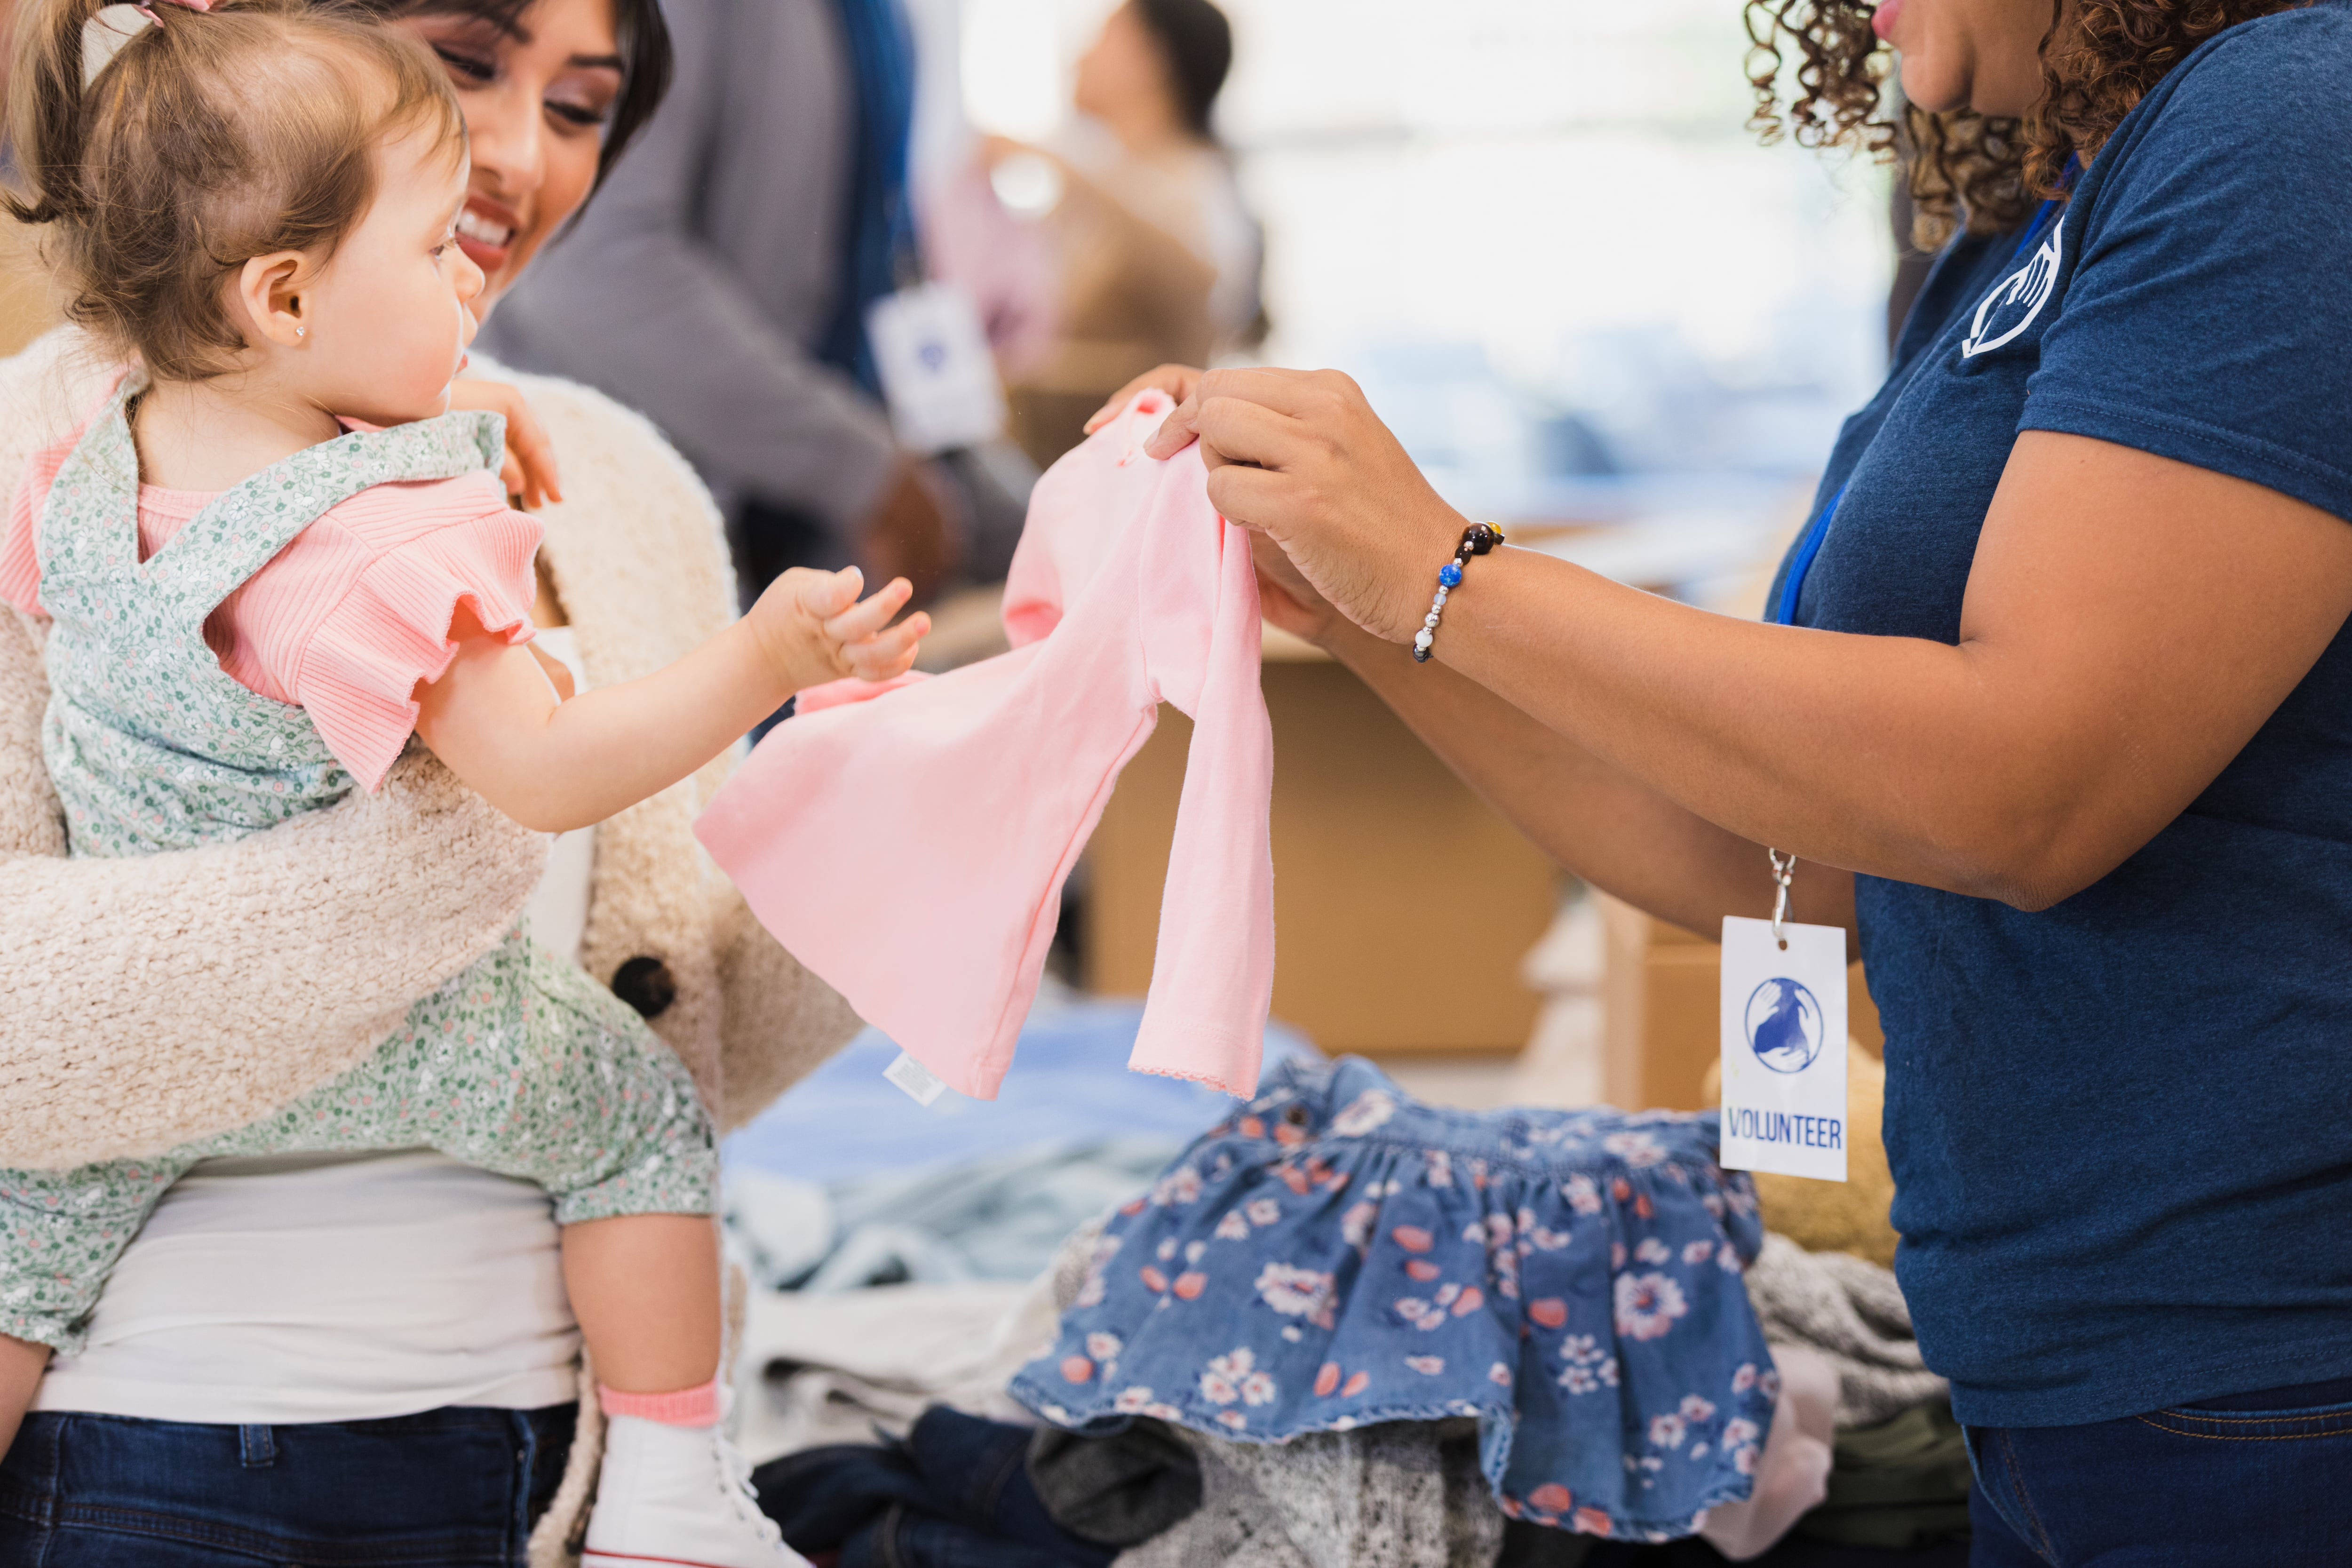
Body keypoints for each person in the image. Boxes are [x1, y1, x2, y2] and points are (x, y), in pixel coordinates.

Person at [1094, 0, 2352, 1560]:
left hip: (2268, 1377)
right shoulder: (2032, 225)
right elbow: (1788, 851)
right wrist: (1366, 611)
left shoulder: (2299, 117)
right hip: (2069, 1374)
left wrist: (1441, 566)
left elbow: (2026, 785)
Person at [0, 4, 924, 1562]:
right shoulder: (60, 441)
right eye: (467, 64)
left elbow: (689, 1011)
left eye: (581, 106)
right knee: (620, 1120)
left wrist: (908, 836)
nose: (514, 155)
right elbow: (542, 788)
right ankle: (674, 1491)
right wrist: (750, 674)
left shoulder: (608, 479)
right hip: (164, 1451)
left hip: (531, 1452)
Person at [478, 0, 1025, 610]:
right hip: (630, 519)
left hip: (805, 487)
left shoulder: (881, 19)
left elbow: (886, 260)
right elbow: (595, 268)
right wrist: (858, 467)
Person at [982, 0, 1261, 468]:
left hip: (1147, 485)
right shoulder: (1099, 192)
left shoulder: (1194, 188)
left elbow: (1201, 287)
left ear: (1151, 59)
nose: (1078, 58)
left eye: (1103, 37)